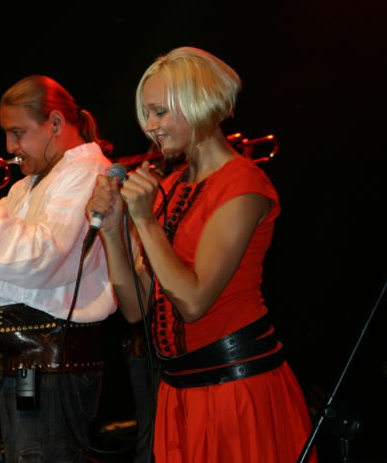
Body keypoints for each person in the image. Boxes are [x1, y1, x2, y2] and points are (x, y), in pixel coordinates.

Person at [86, 46, 316, 463]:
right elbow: (136, 309)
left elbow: (192, 302)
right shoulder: (167, 187)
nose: (150, 126)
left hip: (235, 389)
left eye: (159, 112)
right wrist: (114, 231)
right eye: (147, 114)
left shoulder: (243, 184)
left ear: (199, 104)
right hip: (179, 394)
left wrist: (146, 222)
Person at [0, 75, 117, 463]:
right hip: (27, 364)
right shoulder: (27, 185)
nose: (10, 147)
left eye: (18, 133)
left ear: (55, 123)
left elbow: (41, 258)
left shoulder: (87, 173)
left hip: (51, 362)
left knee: (41, 455)